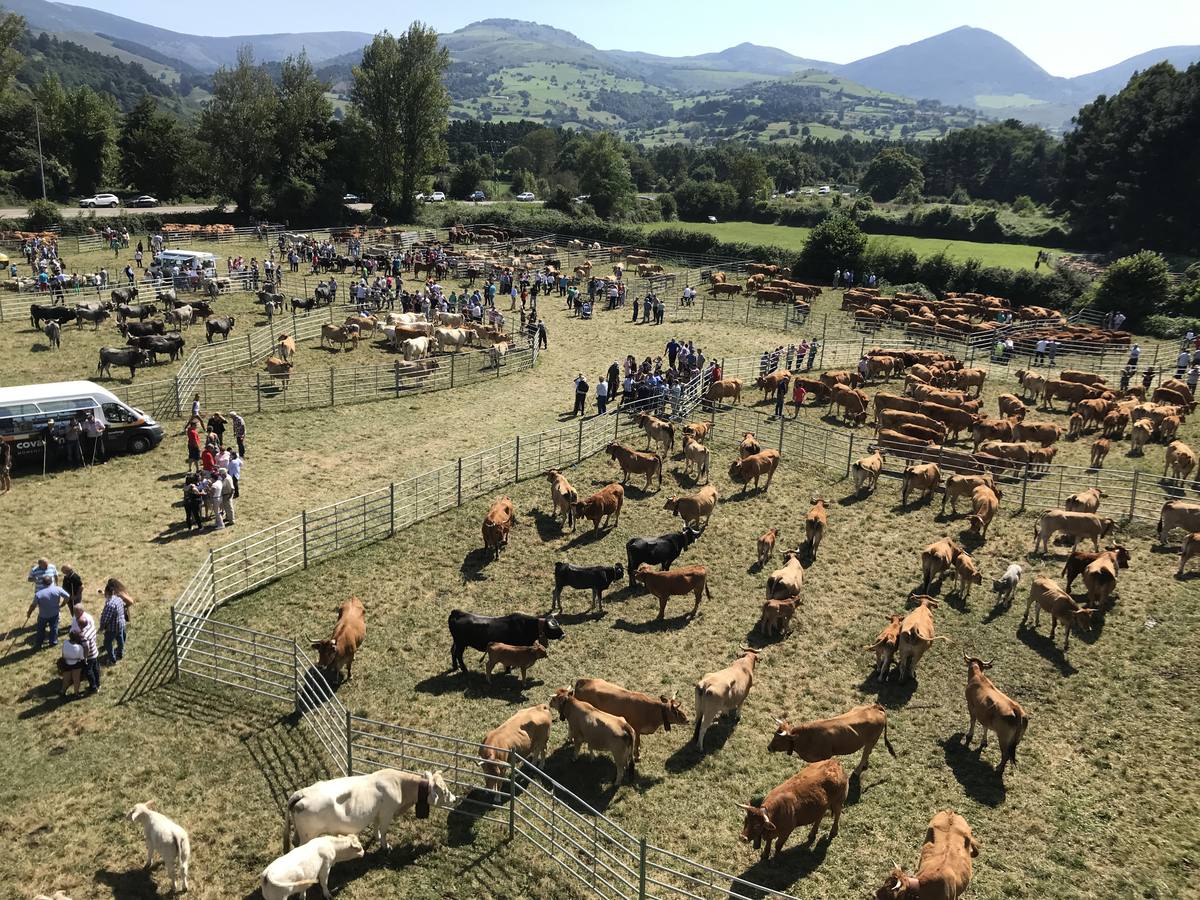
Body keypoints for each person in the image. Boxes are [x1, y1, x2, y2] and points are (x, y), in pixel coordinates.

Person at [28, 575, 69, 649]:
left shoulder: (39, 594)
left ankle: (38, 644)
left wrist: (29, 613)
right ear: (52, 581)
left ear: (43, 583)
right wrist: (62, 604)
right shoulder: (58, 589)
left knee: (40, 629)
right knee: (54, 628)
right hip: (54, 613)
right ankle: (53, 642)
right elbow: (67, 596)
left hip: (43, 615)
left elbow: (33, 606)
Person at [99, 578, 132, 664]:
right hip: (120, 624)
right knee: (120, 639)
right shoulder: (119, 599)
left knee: (107, 643)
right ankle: (120, 653)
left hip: (112, 628)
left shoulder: (110, 605)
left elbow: (105, 619)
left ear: (107, 593)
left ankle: (112, 659)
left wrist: (101, 628)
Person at [70, 604, 100, 693]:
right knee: (95, 669)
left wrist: (85, 658)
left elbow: (86, 646)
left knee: (88, 671)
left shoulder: (83, 636)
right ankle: (98, 683)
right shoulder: (91, 628)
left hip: (89, 655)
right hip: (95, 652)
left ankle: (93, 687)